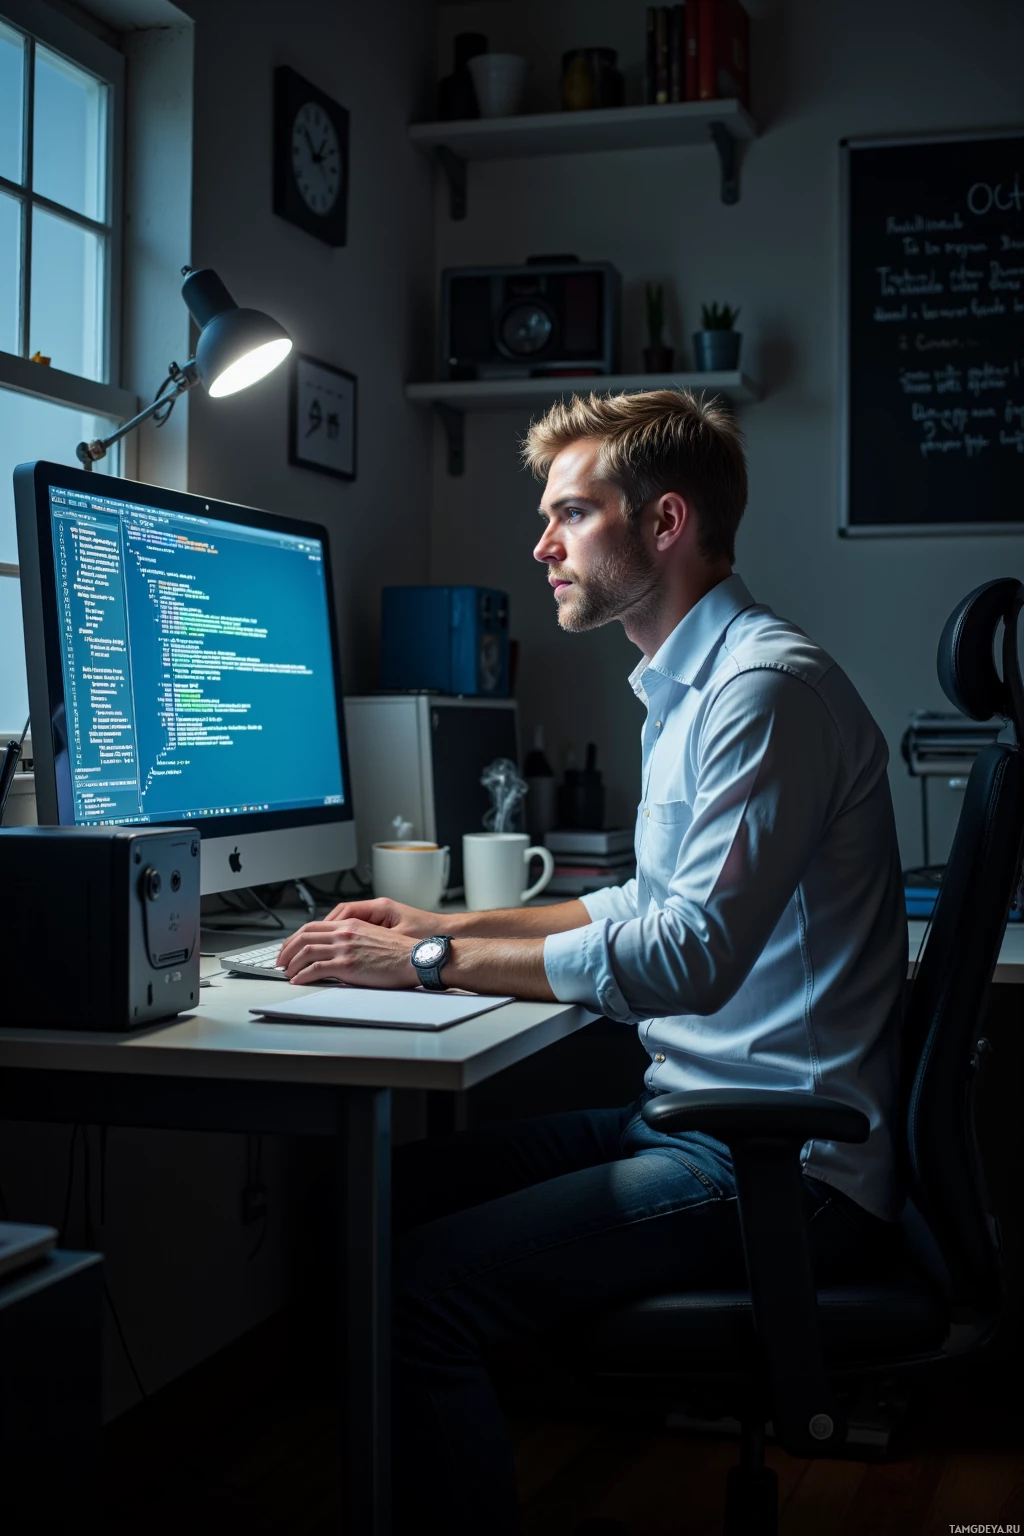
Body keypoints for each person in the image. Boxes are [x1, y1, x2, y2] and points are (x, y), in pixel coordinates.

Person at [277, 389, 908, 1536]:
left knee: (415, 1295)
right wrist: (442, 931)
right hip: (693, 1123)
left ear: (664, 523)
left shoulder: (762, 691)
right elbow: (634, 901)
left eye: (572, 514)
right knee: (363, 1206)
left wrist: (423, 962)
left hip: (780, 1169)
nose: (541, 545)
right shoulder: (687, 686)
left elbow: (686, 957)